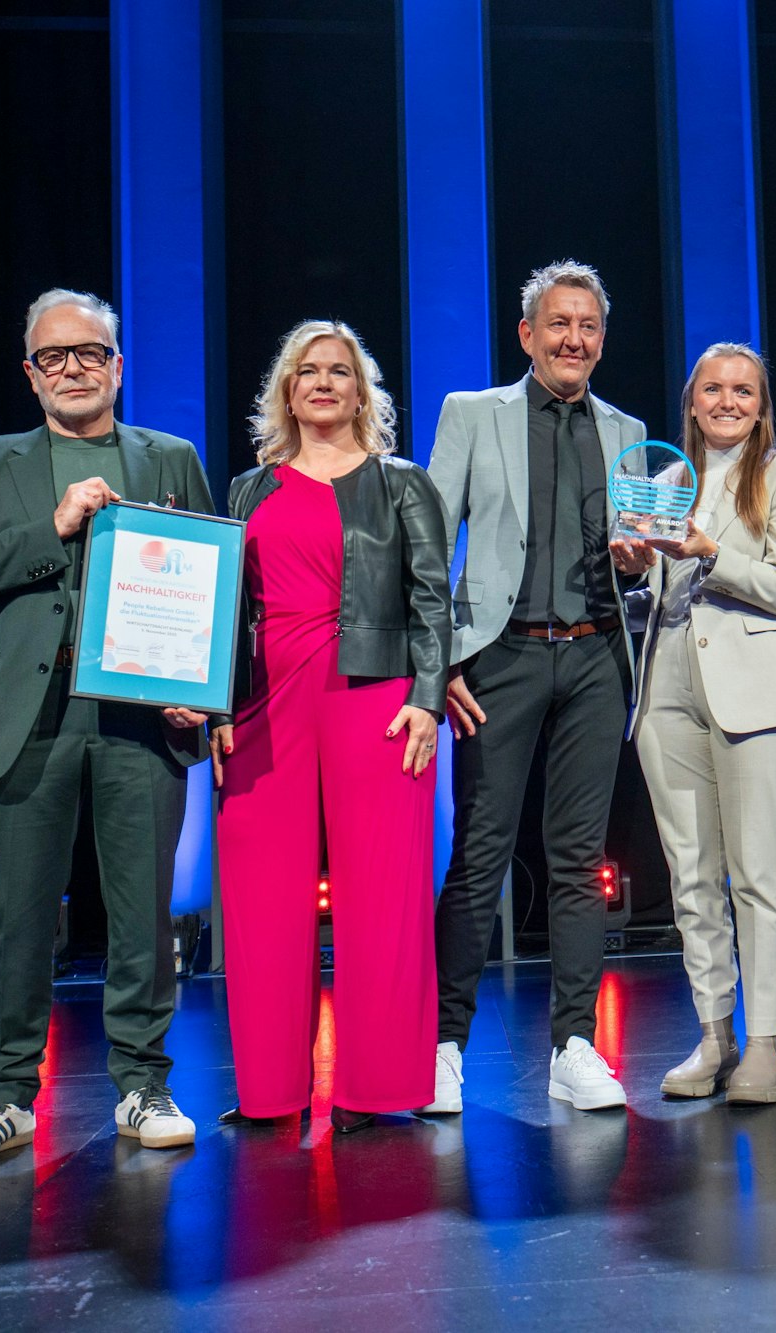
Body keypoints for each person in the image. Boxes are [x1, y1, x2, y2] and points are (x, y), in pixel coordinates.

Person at [0, 288, 210, 1166]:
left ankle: (143, 1083)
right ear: (31, 375)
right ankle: (4, 1098)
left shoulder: (170, 457)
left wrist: (205, 688)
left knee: (142, 916)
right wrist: (52, 526)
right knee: (17, 919)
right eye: (54, 357)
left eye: (90, 353)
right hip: (27, 716)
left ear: (118, 367)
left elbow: (210, 577)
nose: (73, 368)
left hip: (139, 718)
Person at [209, 320, 451, 1136]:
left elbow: (431, 599)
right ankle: (271, 1090)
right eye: (307, 371)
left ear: (360, 391)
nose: (322, 383)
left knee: (383, 893)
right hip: (263, 700)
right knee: (258, 894)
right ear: (286, 389)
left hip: (375, 695)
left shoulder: (401, 482)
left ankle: (377, 1088)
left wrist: (426, 694)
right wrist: (214, 705)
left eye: (339, 371)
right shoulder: (250, 489)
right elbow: (224, 609)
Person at [424, 261, 647, 1113]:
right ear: (527, 334)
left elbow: (640, 549)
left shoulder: (627, 427)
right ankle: (445, 1045)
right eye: (558, 324)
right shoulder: (474, 414)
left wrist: (637, 565)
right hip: (499, 657)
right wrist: (439, 660)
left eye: (588, 326)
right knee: (480, 855)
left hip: (596, 659)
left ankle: (575, 1044)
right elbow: (428, 544)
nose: (573, 339)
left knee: (578, 860)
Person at [613, 344, 776, 1104]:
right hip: (667, 681)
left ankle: (764, 1043)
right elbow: (649, 593)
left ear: (761, 405)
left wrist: (710, 551)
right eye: (714, 389)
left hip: (758, 687)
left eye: (744, 391)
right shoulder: (666, 479)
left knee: (760, 873)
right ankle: (715, 1034)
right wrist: (634, 566)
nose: (728, 401)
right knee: (692, 873)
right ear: (691, 400)